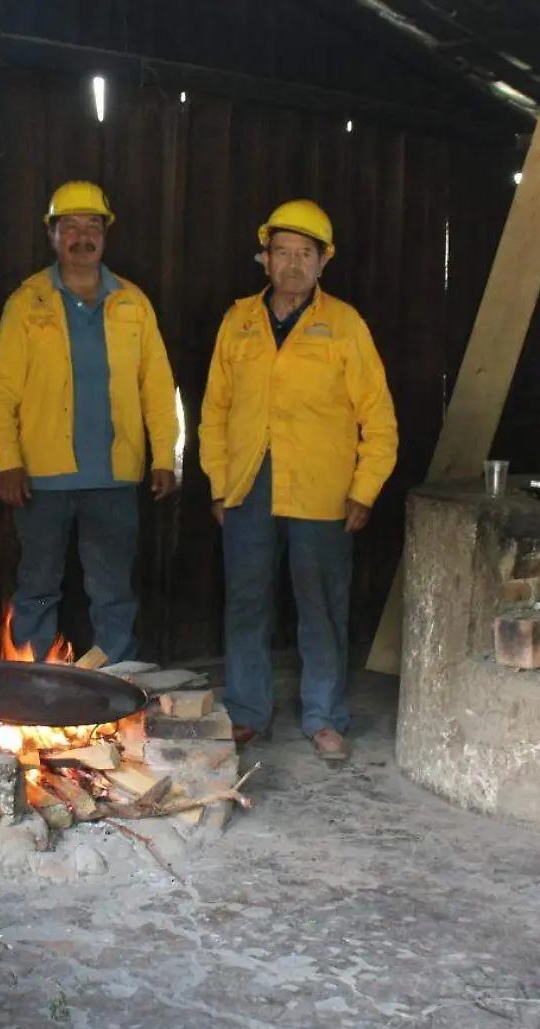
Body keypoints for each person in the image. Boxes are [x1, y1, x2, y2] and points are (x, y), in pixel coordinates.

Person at [198, 200, 398, 762]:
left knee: (321, 606)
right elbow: (214, 411)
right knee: (246, 603)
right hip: (248, 486)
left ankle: (325, 717)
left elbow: (378, 417)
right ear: (265, 258)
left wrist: (364, 489)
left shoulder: (344, 325)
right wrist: (218, 484)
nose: (291, 264)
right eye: (281, 252)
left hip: (322, 490)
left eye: (303, 254)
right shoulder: (238, 321)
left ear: (322, 262)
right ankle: (246, 712)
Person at [0, 181, 179, 662]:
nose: (82, 236)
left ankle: (117, 689)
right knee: (37, 587)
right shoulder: (27, 302)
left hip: (115, 475)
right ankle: (29, 690)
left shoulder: (133, 303)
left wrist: (164, 457)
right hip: (42, 477)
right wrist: (8, 462)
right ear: (52, 235)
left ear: (106, 234)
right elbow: (2, 393)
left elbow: (158, 388)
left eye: (92, 225)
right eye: (69, 226)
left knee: (114, 592)